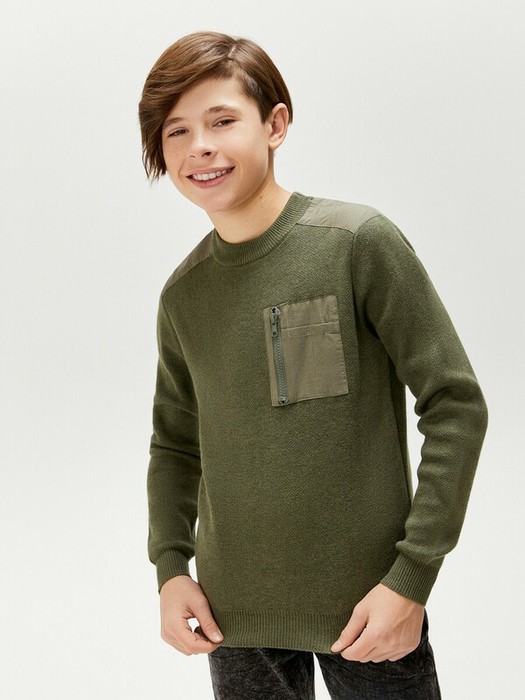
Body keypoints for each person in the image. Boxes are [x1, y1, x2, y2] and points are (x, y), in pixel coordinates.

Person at [138, 31, 488, 699]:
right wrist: (171, 569)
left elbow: (455, 404)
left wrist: (410, 577)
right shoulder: (183, 296)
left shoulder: (355, 244)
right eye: (176, 131)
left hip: (369, 611)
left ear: (275, 125)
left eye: (221, 121)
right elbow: (175, 445)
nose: (199, 146)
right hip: (233, 620)